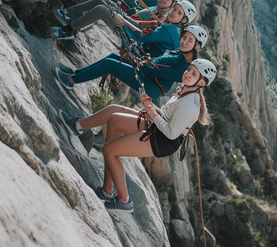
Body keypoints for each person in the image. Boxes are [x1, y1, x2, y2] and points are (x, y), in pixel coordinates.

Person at [58, 59, 217, 213]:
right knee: (114, 115)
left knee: (109, 150)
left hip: (162, 140)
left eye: (194, 74)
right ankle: (78, 127)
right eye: (189, 69)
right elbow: (167, 115)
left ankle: (124, 200)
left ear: (201, 83)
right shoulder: (184, 90)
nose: (188, 73)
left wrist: (152, 113)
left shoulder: (190, 105)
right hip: (157, 126)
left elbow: (171, 133)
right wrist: (152, 107)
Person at [54, 24, 208, 101]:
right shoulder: (180, 52)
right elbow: (158, 62)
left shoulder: (187, 65)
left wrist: (142, 63)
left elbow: (159, 69)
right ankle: (75, 74)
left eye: (190, 40)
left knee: (110, 65)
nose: (184, 41)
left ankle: (69, 81)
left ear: (197, 46)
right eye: (184, 37)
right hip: (147, 74)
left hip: (150, 85)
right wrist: (142, 59)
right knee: (114, 57)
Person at [50, 0, 183, 40]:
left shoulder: (162, 19)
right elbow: (138, 20)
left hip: (129, 33)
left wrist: (122, 17)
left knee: (101, 10)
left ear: (172, 4)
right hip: (128, 23)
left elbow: (140, 28)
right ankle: (66, 13)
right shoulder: (157, 10)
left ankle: (67, 31)